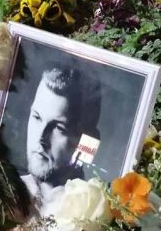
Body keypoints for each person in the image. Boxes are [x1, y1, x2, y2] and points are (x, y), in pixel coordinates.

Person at [20, 64, 102, 206]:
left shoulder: (90, 211)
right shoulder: (7, 188)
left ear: (88, 143)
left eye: (59, 128)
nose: (40, 138)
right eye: (37, 117)